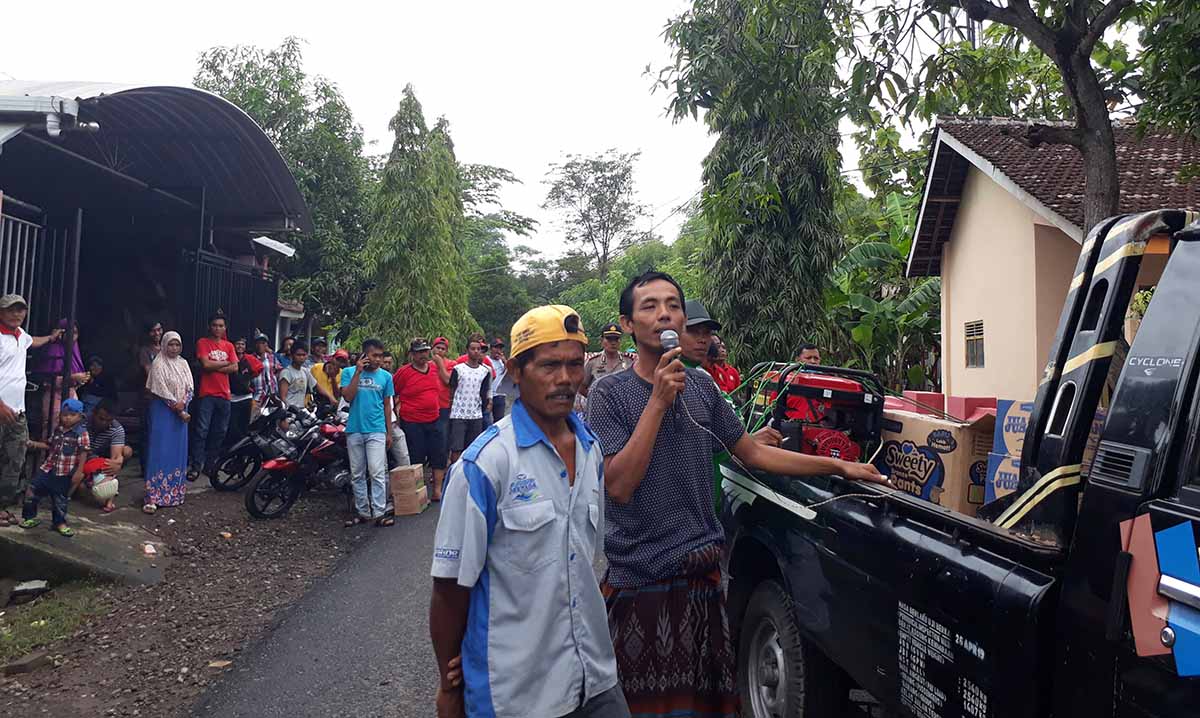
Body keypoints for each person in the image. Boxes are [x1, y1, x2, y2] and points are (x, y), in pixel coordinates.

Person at [586, 271, 885, 717]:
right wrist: (658, 402)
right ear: (628, 324)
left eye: (673, 305)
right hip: (641, 582)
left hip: (701, 580)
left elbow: (753, 453)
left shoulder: (703, 387)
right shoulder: (608, 394)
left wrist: (838, 466)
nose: (664, 313)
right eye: (649, 306)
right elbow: (620, 485)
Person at [430, 305, 629, 718]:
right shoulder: (485, 465)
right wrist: (449, 688)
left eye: (574, 364)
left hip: (594, 675)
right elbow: (449, 588)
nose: (565, 379)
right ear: (517, 371)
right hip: (517, 692)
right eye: (550, 365)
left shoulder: (591, 450)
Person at [0, 294, 64, 526]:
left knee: (14, 460)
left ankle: (2, 505)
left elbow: (33, 341)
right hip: (1, 409)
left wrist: (51, 337)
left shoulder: (20, 335)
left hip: (17, 412)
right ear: (1, 312)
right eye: (11, 310)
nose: (17, 314)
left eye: (21, 310)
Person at [341, 338, 395, 527]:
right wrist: (358, 372)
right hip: (354, 429)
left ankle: (379, 512)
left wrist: (389, 432)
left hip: (376, 429)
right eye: (374, 355)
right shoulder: (348, 372)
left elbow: (387, 405)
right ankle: (363, 511)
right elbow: (348, 397)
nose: (378, 360)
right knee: (357, 473)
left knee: (377, 471)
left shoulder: (386, 377)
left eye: (381, 356)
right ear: (365, 355)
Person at [20, 398, 89, 537]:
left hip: (64, 472)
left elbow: (84, 452)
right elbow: (49, 445)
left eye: (72, 415)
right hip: (48, 468)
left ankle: (59, 523)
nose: (68, 418)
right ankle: (29, 517)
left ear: (80, 416)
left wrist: (79, 471)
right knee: (32, 490)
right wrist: (33, 444)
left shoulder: (81, 433)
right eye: (65, 414)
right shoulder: (58, 430)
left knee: (60, 499)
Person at [144, 331, 193, 513]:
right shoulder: (158, 363)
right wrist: (176, 406)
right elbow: (159, 388)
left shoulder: (183, 363)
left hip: (181, 412)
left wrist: (183, 402)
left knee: (177, 451)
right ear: (164, 345)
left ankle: (174, 494)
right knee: (160, 450)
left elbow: (190, 387)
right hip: (163, 412)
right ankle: (154, 496)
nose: (174, 348)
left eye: (177, 345)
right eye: (171, 344)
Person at [393, 339, 446, 488]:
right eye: (419, 352)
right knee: (416, 456)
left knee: (439, 455)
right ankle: (418, 490)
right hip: (413, 421)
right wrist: (395, 414)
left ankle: (437, 490)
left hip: (434, 418)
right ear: (412, 354)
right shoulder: (404, 372)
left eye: (425, 351)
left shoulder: (434, 368)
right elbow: (392, 393)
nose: (423, 355)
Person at [191, 314, 238, 481]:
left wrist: (214, 366)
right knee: (201, 430)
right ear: (209, 327)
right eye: (215, 325)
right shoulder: (203, 342)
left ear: (225, 328)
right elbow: (205, 364)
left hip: (224, 394)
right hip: (207, 394)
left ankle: (210, 465)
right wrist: (225, 363)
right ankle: (196, 465)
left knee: (220, 432)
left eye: (221, 326)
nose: (218, 328)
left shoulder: (229, 345)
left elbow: (235, 368)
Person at [35, 319, 88, 440]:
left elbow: (75, 380)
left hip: (71, 393)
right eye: (69, 331)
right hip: (54, 395)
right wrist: (73, 377)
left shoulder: (74, 351)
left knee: (73, 427)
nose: (72, 335)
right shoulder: (53, 350)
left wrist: (80, 379)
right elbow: (48, 380)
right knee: (53, 426)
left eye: (75, 332)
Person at [75, 399, 132, 513]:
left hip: (103, 459)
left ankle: (108, 486)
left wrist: (117, 464)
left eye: (108, 420)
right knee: (81, 489)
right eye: (101, 418)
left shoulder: (116, 428)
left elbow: (116, 457)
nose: (104, 423)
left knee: (126, 451)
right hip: (82, 458)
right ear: (94, 414)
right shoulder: (82, 423)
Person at [447, 337, 491, 466]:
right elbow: (452, 390)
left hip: (476, 415)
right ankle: (455, 472)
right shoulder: (458, 369)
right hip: (458, 414)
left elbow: (484, 392)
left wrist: (484, 407)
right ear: (467, 350)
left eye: (478, 349)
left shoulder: (485, 371)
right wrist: (451, 407)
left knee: (473, 448)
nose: (476, 351)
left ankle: (469, 473)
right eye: (473, 349)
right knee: (456, 448)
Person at [430, 337, 456, 499]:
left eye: (443, 349)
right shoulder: (426, 364)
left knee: (442, 445)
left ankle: (438, 488)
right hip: (426, 410)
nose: (439, 351)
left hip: (443, 407)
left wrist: (440, 364)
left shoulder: (451, 364)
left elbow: (448, 380)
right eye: (437, 348)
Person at [227, 337, 262, 445]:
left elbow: (259, 369)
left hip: (246, 397)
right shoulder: (228, 358)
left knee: (244, 426)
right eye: (238, 344)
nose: (240, 346)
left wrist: (247, 382)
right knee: (232, 427)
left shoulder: (249, 359)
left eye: (242, 344)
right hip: (232, 398)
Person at [279, 342, 327, 409]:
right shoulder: (286, 373)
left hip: (302, 409)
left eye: (304, 355)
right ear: (292, 355)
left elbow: (318, 387)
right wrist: (288, 409)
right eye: (298, 355)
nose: (301, 357)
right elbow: (283, 397)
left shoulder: (305, 371)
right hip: (290, 410)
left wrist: (331, 399)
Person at [681, 299, 719, 368]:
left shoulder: (702, 373)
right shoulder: (664, 371)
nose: (703, 340)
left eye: (707, 332)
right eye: (694, 332)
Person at [250, 334, 282, 413]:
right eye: (258, 343)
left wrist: (274, 379)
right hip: (257, 395)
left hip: (272, 395)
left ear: (266, 345)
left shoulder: (272, 357)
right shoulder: (250, 358)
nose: (260, 345)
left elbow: (280, 370)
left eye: (263, 343)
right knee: (254, 417)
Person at [487, 338, 509, 423]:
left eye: (500, 348)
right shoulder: (487, 360)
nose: (498, 350)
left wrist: (504, 361)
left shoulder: (502, 362)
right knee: (486, 421)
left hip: (500, 395)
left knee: (499, 422)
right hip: (488, 395)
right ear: (491, 348)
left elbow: (510, 375)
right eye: (496, 347)